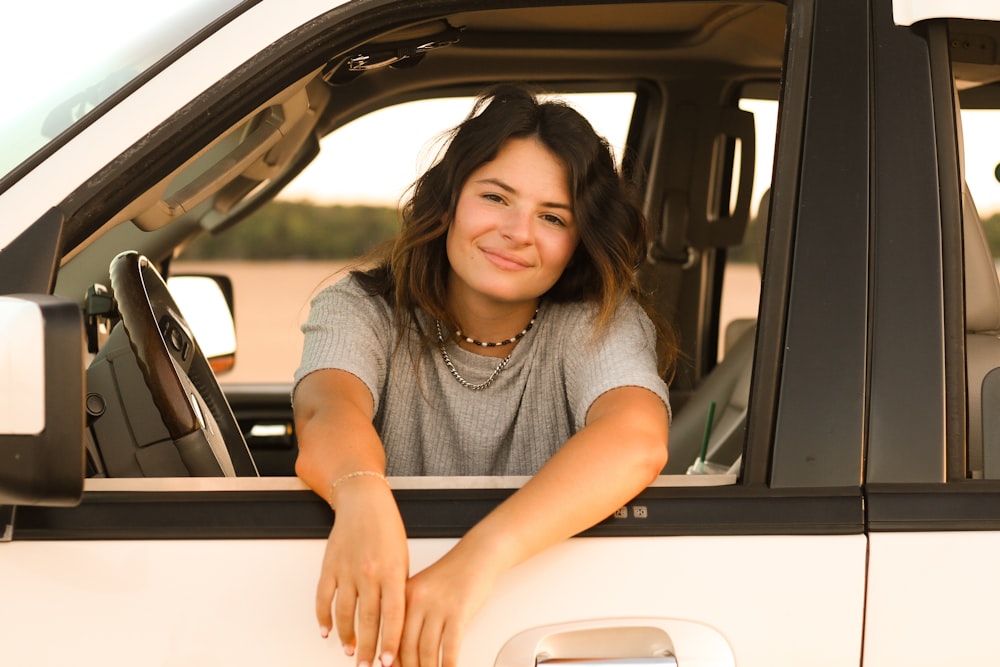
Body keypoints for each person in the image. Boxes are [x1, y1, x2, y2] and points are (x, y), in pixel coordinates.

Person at [292, 84, 675, 667]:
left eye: (552, 216)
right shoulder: (362, 306)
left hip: (550, 621)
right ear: (449, 204)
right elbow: (327, 407)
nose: (518, 231)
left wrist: (476, 561)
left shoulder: (595, 323)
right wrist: (360, 494)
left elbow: (637, 440)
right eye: (496, 198)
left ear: (577, 242)